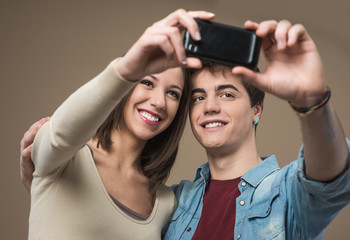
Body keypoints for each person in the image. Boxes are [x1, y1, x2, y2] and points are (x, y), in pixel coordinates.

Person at [21, 18, 350, 240]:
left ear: (256, 110)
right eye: (197, 97)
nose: (210, 107)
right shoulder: (173, 203)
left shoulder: (286, 193)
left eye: (226, 93)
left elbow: (330, 179)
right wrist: (49, 179)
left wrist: (312, 103)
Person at [20, 9, 215, 240]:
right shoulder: (64, 157)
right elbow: (61, 134)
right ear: (126, 85)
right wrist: (126, 68)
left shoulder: (165, 202)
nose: (159, 102)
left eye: (173, 93)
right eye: (146, 82)